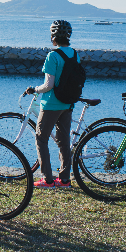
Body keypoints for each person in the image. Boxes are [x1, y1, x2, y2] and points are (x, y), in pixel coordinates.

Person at [25, 20, 77, 189]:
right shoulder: (74, 53)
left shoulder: (52, 56)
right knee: (63, 141)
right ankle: (64, 180)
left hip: (51, 104)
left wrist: (34, 89)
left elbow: (48, 85)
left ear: (53, 37)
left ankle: (47, 179)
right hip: (67, 103)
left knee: (41, 139)